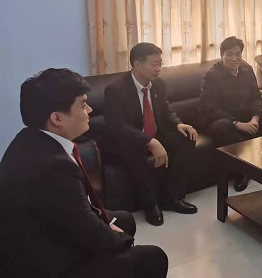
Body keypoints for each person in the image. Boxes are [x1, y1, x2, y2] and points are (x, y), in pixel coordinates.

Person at [0, 68, 168, 277]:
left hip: (44, 231)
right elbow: (86, 230)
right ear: (57, 118)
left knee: (124, 219)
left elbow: (73, 210)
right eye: (82, 105)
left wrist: (109, 229)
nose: (89, 110)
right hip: (45, 262)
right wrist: (122, 240)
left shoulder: (28, 139)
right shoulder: (53, 167)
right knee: (153, 257)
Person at [104, 43, 199, 226]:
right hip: (129, 139)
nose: (159, 68)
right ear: (137, 65)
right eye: (154, 64)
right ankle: (150, 205)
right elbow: (117, 126)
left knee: (186, 139)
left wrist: (178, 124)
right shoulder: (116, 90)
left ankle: (172, 198)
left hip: (155, 133)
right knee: (134, 154)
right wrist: (149, 142)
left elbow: (166, 110)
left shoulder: (158, 84)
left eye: (160, 64)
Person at [199, 36, 262, 191]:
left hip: (245, 116)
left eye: (238, 54)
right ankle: (242, 171)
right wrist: (237, 124)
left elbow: (256, 97)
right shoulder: (212, 75)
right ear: (221, 55)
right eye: (229, 54)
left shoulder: (247, 70)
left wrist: (255, 118)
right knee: (223, 127)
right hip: (220, 118)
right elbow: (210, 107)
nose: (234, 58)